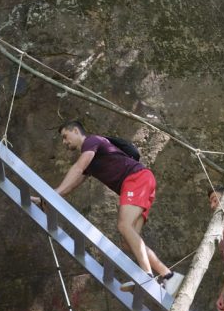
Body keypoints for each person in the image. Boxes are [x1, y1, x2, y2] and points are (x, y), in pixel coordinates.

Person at [47, 121, 180, 295]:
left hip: (136, 179)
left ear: (75, 130)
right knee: (128, 241)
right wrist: (45, 200)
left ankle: (146, 277)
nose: (64, 142)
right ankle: (169, 276)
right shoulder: (92, 159)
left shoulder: (91, 141)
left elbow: (78, 167)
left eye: (65, 136)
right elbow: (71, 185)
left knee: (124, 225)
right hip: (141, 182)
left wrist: (53, 193)